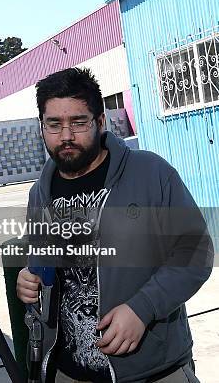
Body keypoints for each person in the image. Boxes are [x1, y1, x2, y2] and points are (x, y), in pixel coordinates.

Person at [15, 67, 214, 382]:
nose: (65, 136)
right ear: (42, 126)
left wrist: (142, 308)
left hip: (151, 370)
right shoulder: (40, 193)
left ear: (100, 121)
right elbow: (46, 260)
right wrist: (30, 277)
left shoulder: (150, 173)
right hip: (67, 371)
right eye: (54, 124)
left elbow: (195, 251)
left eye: (78, 122)